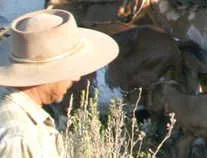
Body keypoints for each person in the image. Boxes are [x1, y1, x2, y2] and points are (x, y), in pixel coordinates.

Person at [0, 9, 119, 158]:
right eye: (69, 69)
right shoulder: (20, 138)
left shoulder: (25, 122)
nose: (76, 77)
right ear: (47, 73)